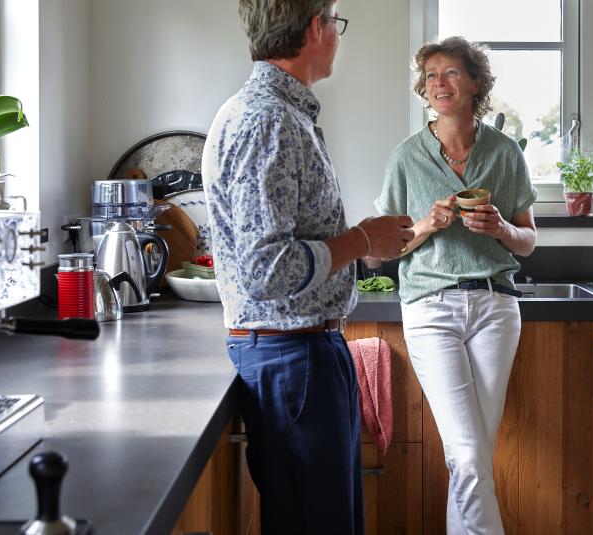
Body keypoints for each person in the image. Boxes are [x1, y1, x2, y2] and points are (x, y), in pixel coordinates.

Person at [201, 1, 415, 533]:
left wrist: (361, 246)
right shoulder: (267, 120)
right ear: (316, 27)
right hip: (292, 358)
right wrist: (363, 238)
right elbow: (267, 269)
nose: (338, 35)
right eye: (335, 22)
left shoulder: (279, 113)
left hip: (301, 354)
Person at [371, 36, 537, 534]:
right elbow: (381, 252)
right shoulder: (406, 158)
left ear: (476, 83)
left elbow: (528, 241)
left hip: (495, 306)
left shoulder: (505, 152)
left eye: (451, 73)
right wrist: (426, 225)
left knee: (472, 453)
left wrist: (500, 228)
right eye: (431, 76)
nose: (438, 84)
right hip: (430, 308)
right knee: (467, 453)